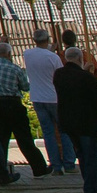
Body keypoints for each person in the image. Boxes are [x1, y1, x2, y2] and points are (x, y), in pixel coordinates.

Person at [52, 47, 97, 193]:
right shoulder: (86, 78)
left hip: (68, 122)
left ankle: (91, 187)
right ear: (81, 59)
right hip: (87, 123)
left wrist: (85, 72)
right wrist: (88, 74)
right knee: (90, 158)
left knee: (82, 156)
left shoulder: (59, 75)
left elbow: (74, 81)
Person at [0, 40, 46, 182]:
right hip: (13, 105)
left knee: (0, 140)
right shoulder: (16, 69)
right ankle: (39, 169)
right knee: (24, 138)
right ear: (9, 54)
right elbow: (25, 87)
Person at [21, 30, 74, 172]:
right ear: (48, 40)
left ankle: (55, 165)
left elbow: (40, 56)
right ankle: (69, 163)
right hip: (54, 97)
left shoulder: (27, 54)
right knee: (64, 130)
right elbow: (60, 75)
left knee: (48, 133)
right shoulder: (54, 57)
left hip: (37, 97)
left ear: (34, 40)